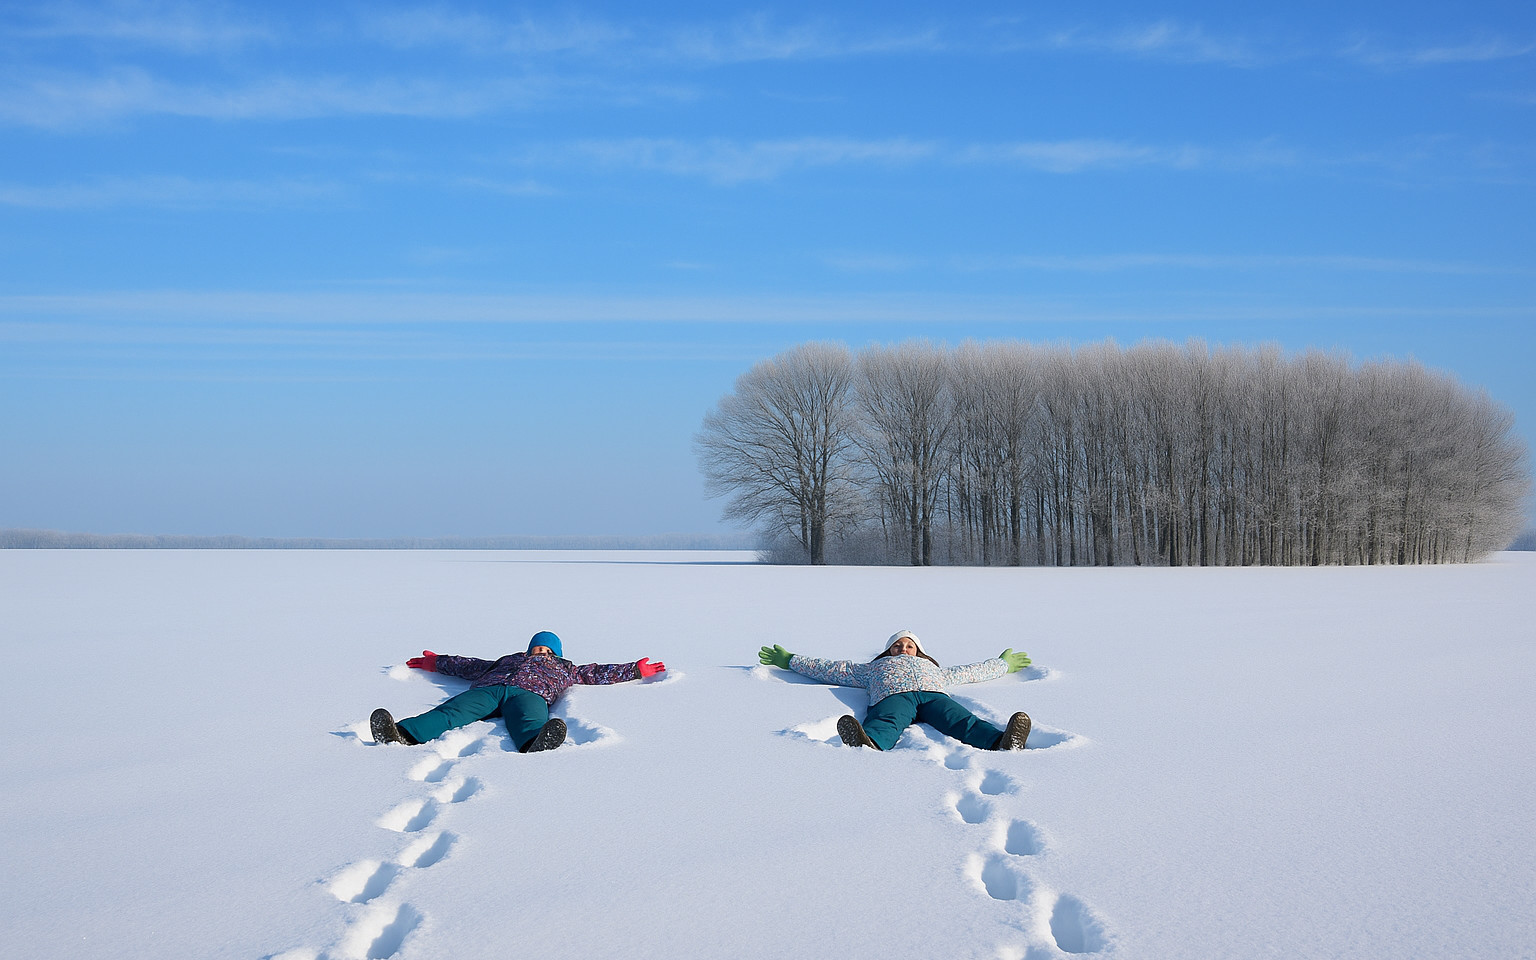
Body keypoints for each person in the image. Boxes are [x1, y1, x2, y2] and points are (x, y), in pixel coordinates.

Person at [371, 630, 665, 753]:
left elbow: (597, 673)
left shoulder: (566, 668)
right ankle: (403, 734)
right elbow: (468, 665)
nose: (541, 651)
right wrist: (436, 662)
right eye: (537, 646)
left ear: (557, 653)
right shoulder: (506, 661)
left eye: (547, 648)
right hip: (490, 689)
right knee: (451, 712)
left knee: (529, 720)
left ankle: (536, 742)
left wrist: (636, 670)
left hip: (531, 695)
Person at [757, 630, 1032, 751]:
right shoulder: (871, 669)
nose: (903, 649)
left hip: (933, 695)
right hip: (892, 696)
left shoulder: (934, 670)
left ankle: (1002, 742)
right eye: (897, 646)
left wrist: (1001, 664)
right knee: (886, 721)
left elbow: (969, 672)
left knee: (962, 720)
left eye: (909, 646)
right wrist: (791, 660)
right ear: (888, 650)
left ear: (919, 651)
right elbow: (830, 668)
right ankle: (869, 742)